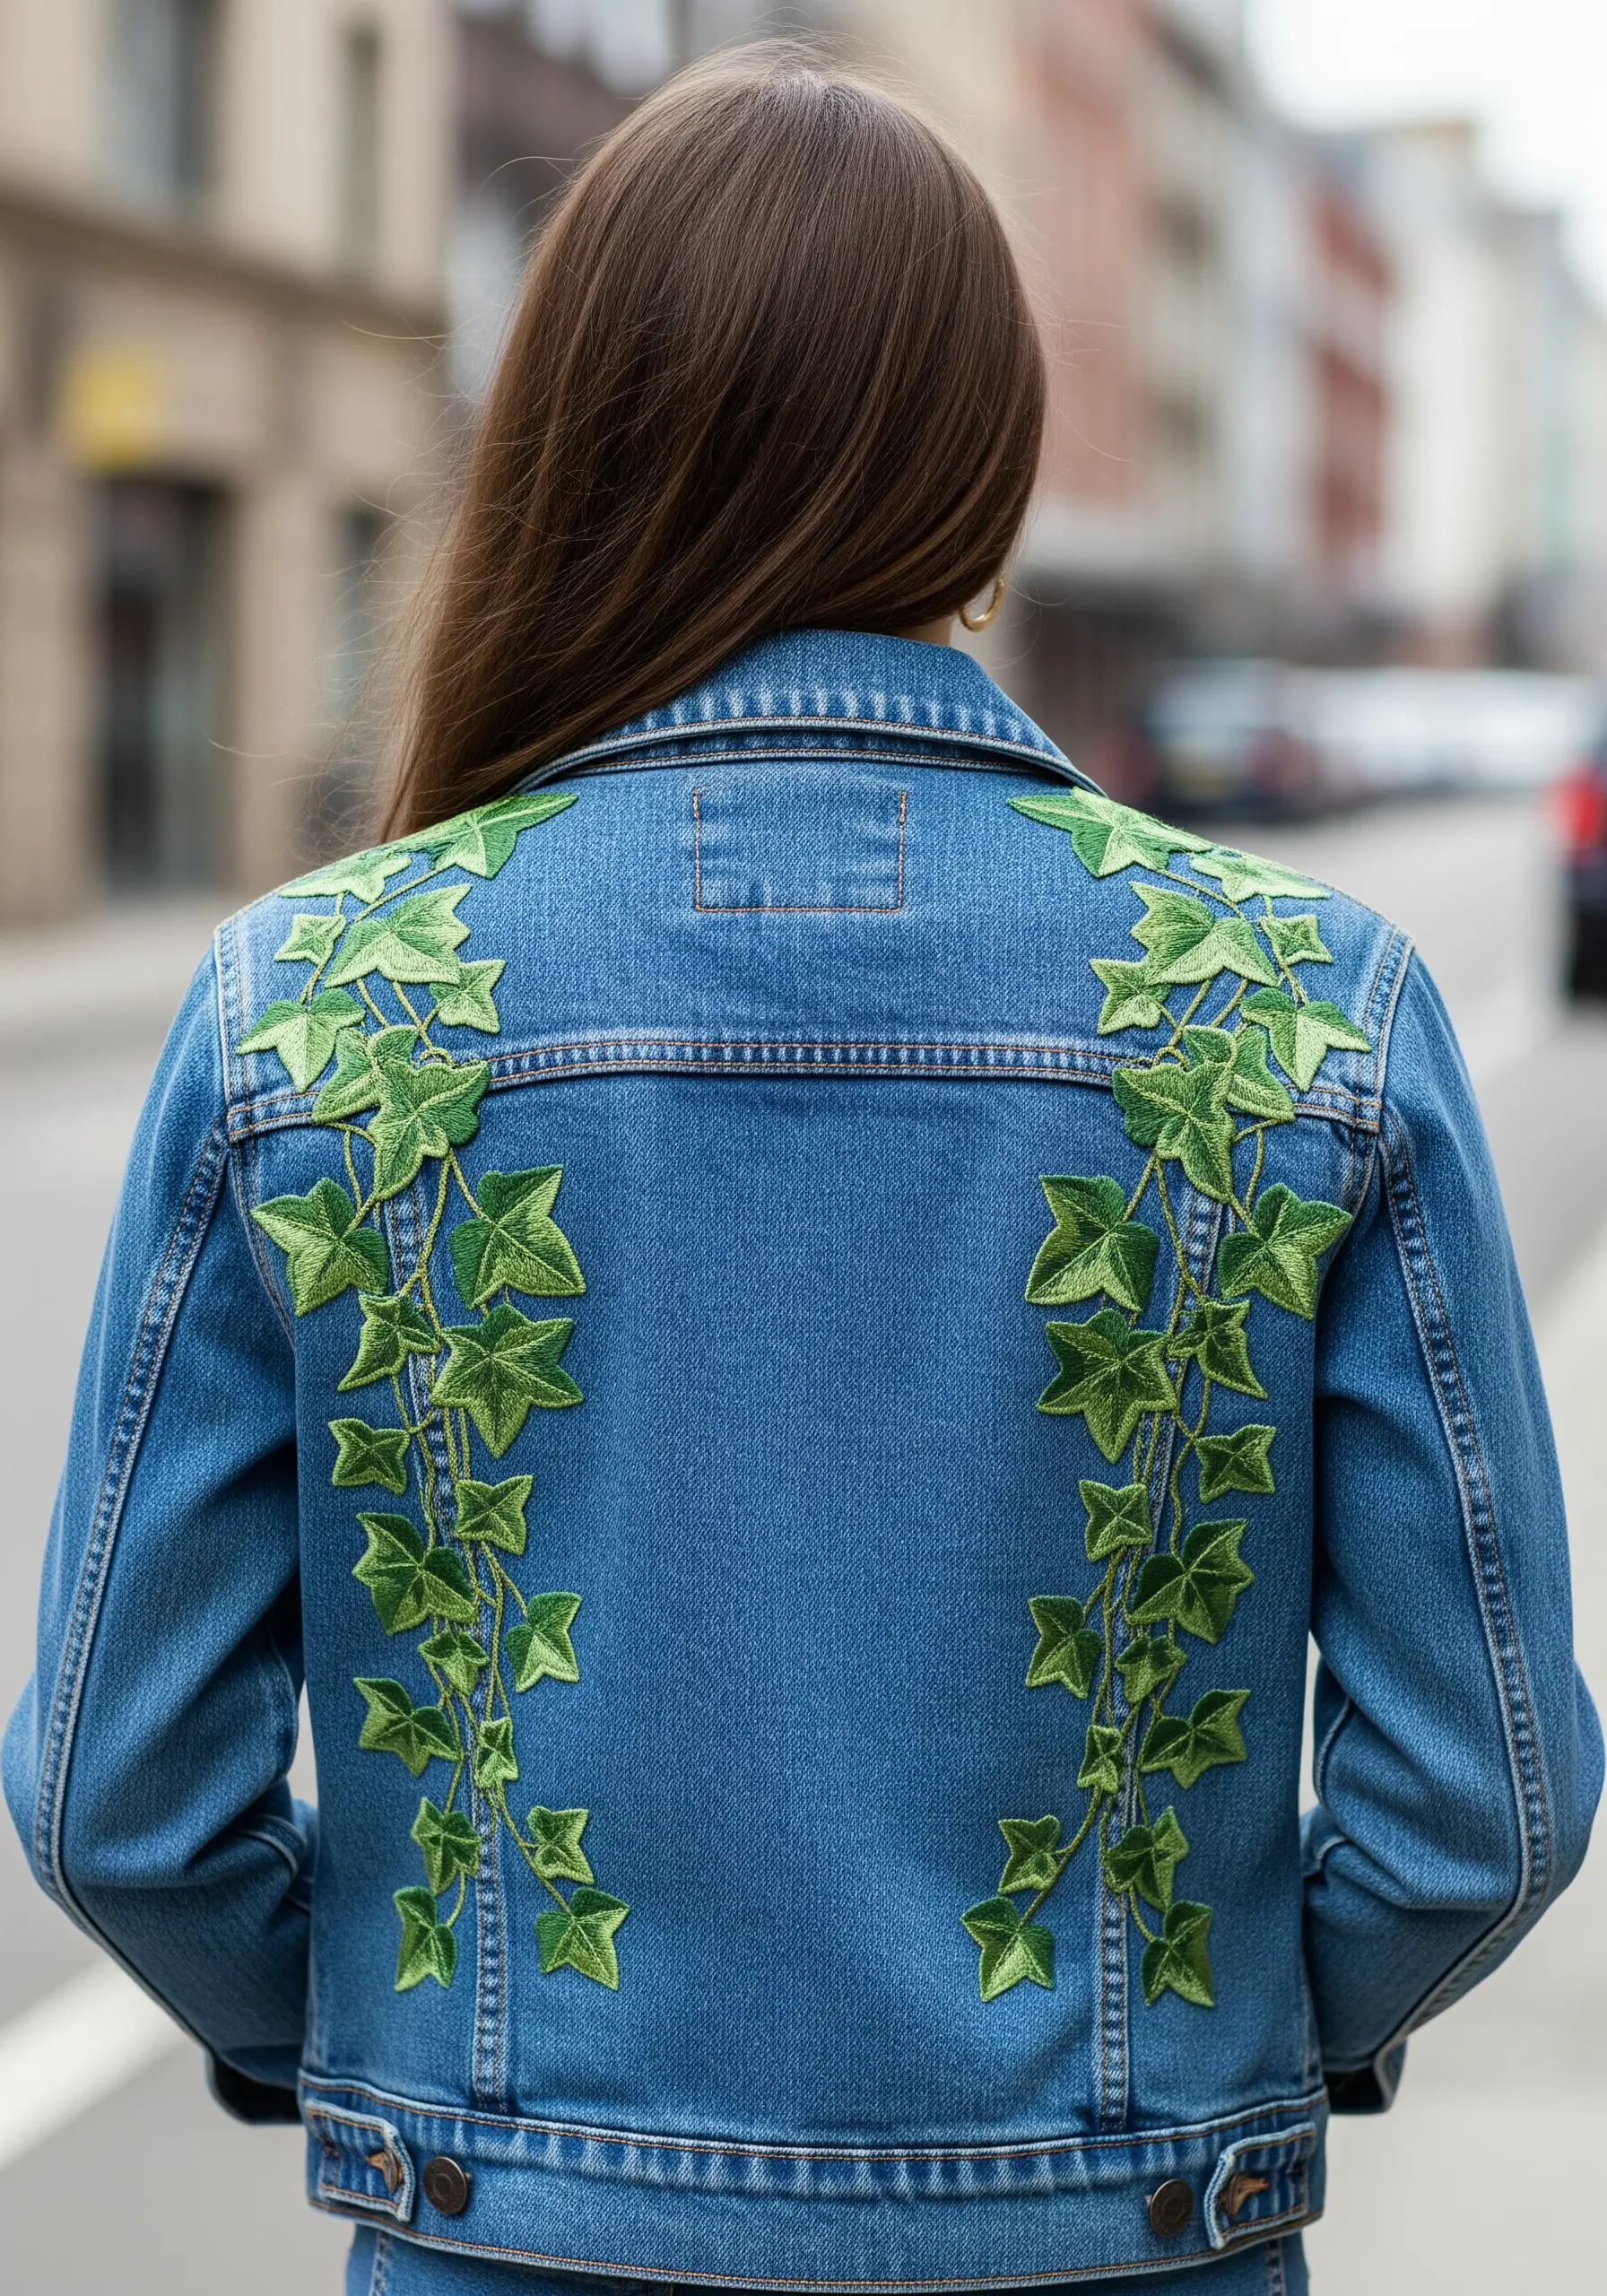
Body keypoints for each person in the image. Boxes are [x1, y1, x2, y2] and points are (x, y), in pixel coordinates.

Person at [6, 48, 1600, 2296]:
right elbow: (1482, 1800)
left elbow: (121, 1797)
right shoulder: (1299, 1010)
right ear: (990, 448)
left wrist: (438, 2075)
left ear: (571, 423)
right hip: (1122, 2244)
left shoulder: (314, 1005)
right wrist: (1180, 2066)